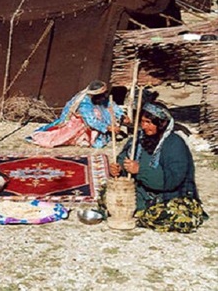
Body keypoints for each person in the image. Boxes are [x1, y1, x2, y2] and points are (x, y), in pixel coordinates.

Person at [109, 102, 206, 233]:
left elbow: (172, 180)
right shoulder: (138, 139)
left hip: (168, 196)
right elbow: (123, 158)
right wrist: (119, 168)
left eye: (149, 122)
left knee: (174, 215)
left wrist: (140, 170)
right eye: (142, 122)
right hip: (142, 192)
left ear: (162, 124)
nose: (144, 126)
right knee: (109, 195)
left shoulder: (175, 144)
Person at [27, 80, 129, 148]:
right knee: (97, 115)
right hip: (79, 122)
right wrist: (108, 128)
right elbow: (91, 121)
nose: (105, 96)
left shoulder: (99, 97)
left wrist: (122, 115)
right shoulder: (84, 102)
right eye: (103, 94)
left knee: (105, 110)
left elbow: (110, 104)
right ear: (95, 94)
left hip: (91, 119)